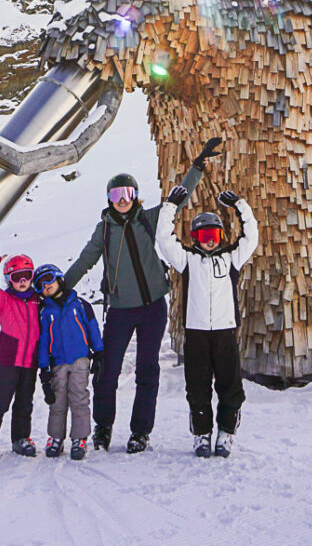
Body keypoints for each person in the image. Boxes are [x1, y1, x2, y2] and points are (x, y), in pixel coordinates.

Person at [63, 137, 222, 454]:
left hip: (152, 309)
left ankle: (140, 432)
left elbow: (179, 199)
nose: (122, 200)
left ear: (136, 197)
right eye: (116, 195)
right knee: (108, 371)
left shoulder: (149, 219)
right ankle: (103, 427)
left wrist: (197, 167)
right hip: (120, 310)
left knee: (147, 371)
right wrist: (60, 289)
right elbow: (84, 261)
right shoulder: (104, 229)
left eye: (128, 194)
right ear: (109, 199)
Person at [156, 187, 258, 458]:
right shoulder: (188, 260)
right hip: (197, 333)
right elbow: (164, 240)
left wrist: (240, 205)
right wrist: (170, 207)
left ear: (221, 236)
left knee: (230, 385)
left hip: (225, 332)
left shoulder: (230, 259)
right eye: (204, 236)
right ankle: (201, 435)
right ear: (195, 238)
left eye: (214, 236)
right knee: (197, 386)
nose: (210, 241)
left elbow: (251, 237)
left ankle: (226, 433)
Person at [34, 262, 104, 461]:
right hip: (58, 363)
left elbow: (92, 328)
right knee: (57, 401)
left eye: (49, 280)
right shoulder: (45, 312)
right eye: (40, 285)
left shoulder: (80, 304)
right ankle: (56, 437)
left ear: (59, 279)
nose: (46, 286)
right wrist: (43, 368)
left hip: (80, 359)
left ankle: (79, 438)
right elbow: (43, 342)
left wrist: (98, 352)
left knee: (79, 397)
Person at [0, 242, 40, 461]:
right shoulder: (4, 301)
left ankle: (21, 438)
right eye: (16, 277)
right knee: (1, 399)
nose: (22, 281)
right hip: (10, 359)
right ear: (8, 280)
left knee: (25, 401)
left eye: (26, 275)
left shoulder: (38, 301)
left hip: (31, 360)